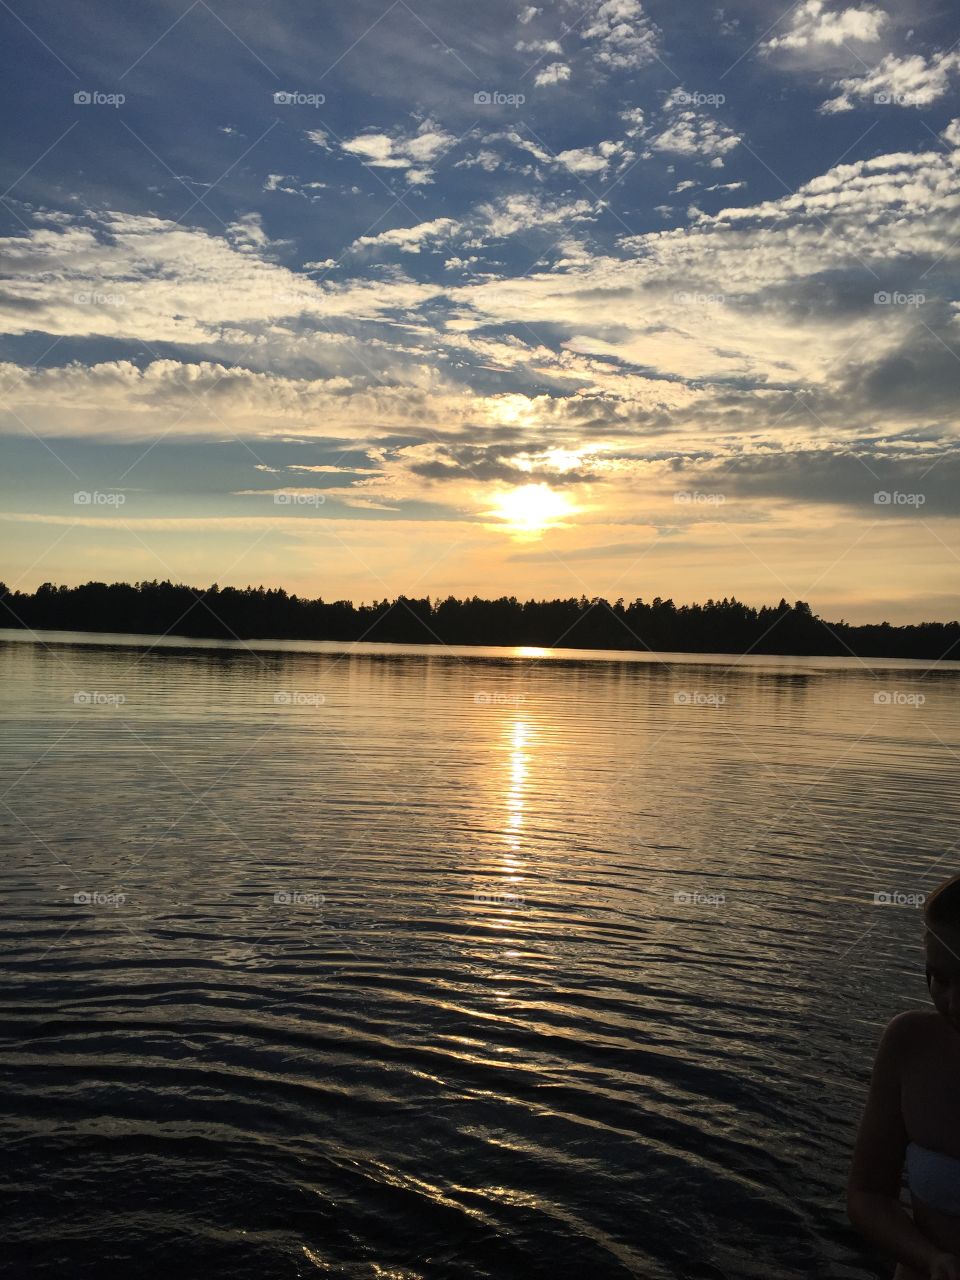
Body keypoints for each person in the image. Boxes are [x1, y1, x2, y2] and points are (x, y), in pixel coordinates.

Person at [848, 873, 960, 1279]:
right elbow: (869, 1194)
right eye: (940, 978)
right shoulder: (910, 1044)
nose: (954, 1002)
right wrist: (932, 1259)